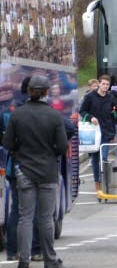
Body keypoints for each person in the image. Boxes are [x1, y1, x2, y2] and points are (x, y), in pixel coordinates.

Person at [2, 75, 67, 268]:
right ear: (46, 92)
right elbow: (62, 146)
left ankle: (23, 260)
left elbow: (7, 143)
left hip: (24, 170)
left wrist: (20, 154)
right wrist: (50, 154)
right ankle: (49, 259)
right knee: (46, 217)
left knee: (25, 216)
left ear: (29, 91)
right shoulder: (54, 115)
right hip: (47, 170)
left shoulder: (17, 114)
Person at [79, 75, 117, 193]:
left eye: (107, 84)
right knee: (96, 159)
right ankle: (98, 182)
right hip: (94, 132)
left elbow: (113, 114)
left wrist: (116, 114)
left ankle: (104, 181)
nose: (105, 86)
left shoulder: (111, 97)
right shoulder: (90, 96)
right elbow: (82, 111)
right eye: (103, 84)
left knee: (104, 158)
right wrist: (90, 118)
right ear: (99, 84)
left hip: (106, 132)